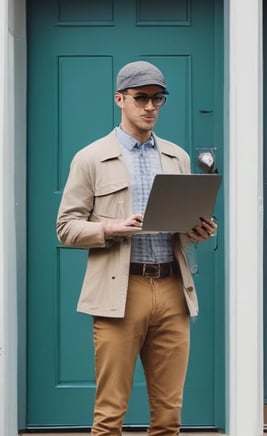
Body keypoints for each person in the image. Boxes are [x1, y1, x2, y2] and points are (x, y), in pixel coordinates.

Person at [56, 60, 217, 436]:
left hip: (173, 289)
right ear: (120, 99)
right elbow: (65, 228)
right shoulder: (91, 157)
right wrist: (111, 227)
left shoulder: (176, 157)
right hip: (119, 292)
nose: (150, 107)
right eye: (141, 98)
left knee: (168, 416)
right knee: (110, 415)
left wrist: (201, 229)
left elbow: (183, 226)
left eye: (157, 99)